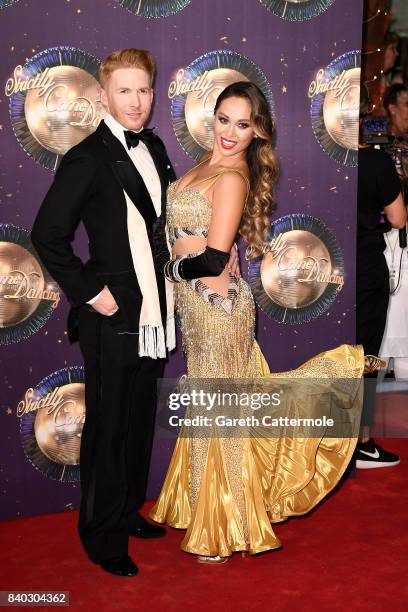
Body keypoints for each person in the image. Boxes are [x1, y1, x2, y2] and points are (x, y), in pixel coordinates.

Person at [149, 82, 373, 562]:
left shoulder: (231, 178)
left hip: (217, 311)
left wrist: (166, 270)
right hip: (196, 308)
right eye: (224, 119)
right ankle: (204, 510)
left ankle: (228, 525)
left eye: (242, 124)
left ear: (258, 131)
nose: (230, 132)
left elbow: (210, 260)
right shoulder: (202, 166)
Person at [31, 49, 180, 578]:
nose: (136, 101)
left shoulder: (156, 147)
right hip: (113, 317)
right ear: (103, 94)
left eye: (144, 90)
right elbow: (46, 235)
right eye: (125, 90)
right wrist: (91, 292)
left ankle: (126, 511)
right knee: (109, 427)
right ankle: (100, 535)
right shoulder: (87, 156)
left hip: (156, 311)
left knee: (139, 420)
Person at [355, 85, 407, 469]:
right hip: (367, 269)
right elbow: (398, 219)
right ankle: (362, 441)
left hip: (322, 269)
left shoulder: (319, 162)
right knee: (367, 355)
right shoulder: (375, 163)